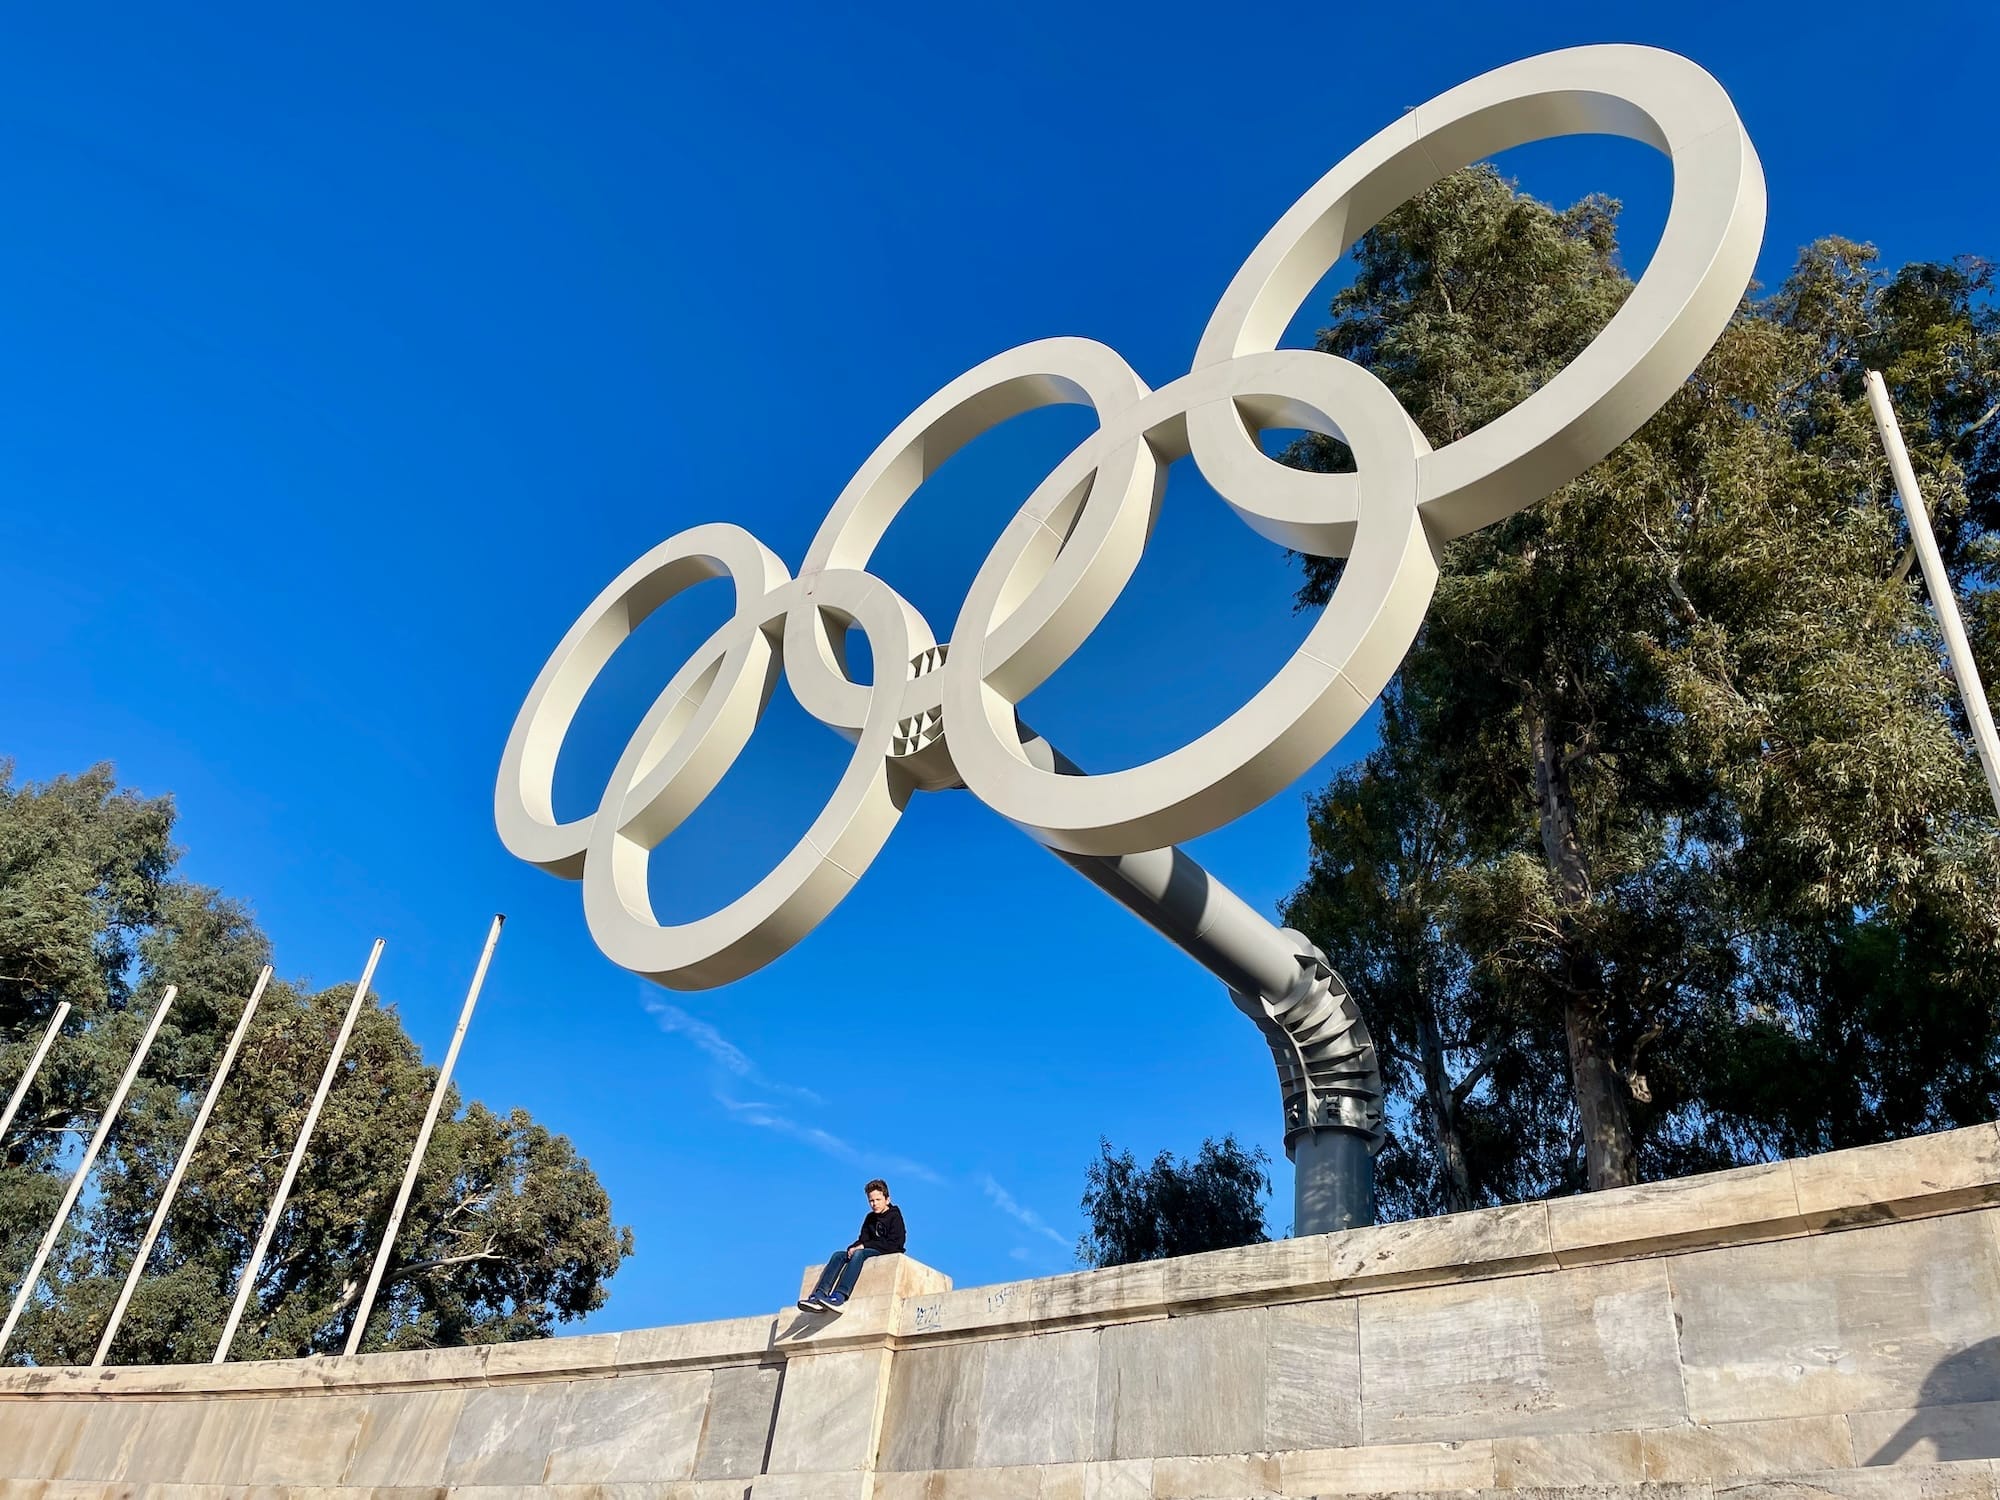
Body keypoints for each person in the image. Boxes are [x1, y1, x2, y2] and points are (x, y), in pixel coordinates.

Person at [799, 1178, 905, 1313]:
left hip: (887, 1250)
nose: (874, 1204)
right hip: (869, 1248)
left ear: (887, 1199)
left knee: (859, 1253)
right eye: (871, 1201)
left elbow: (896, 1243)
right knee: (839, 1255)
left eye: (878, 1200)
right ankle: (819, 1295)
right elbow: (862, 1239)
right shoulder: (870, 1218)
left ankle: (840, 1296)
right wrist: (852, 1247)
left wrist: (862, 1246)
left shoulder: (895, 1216)